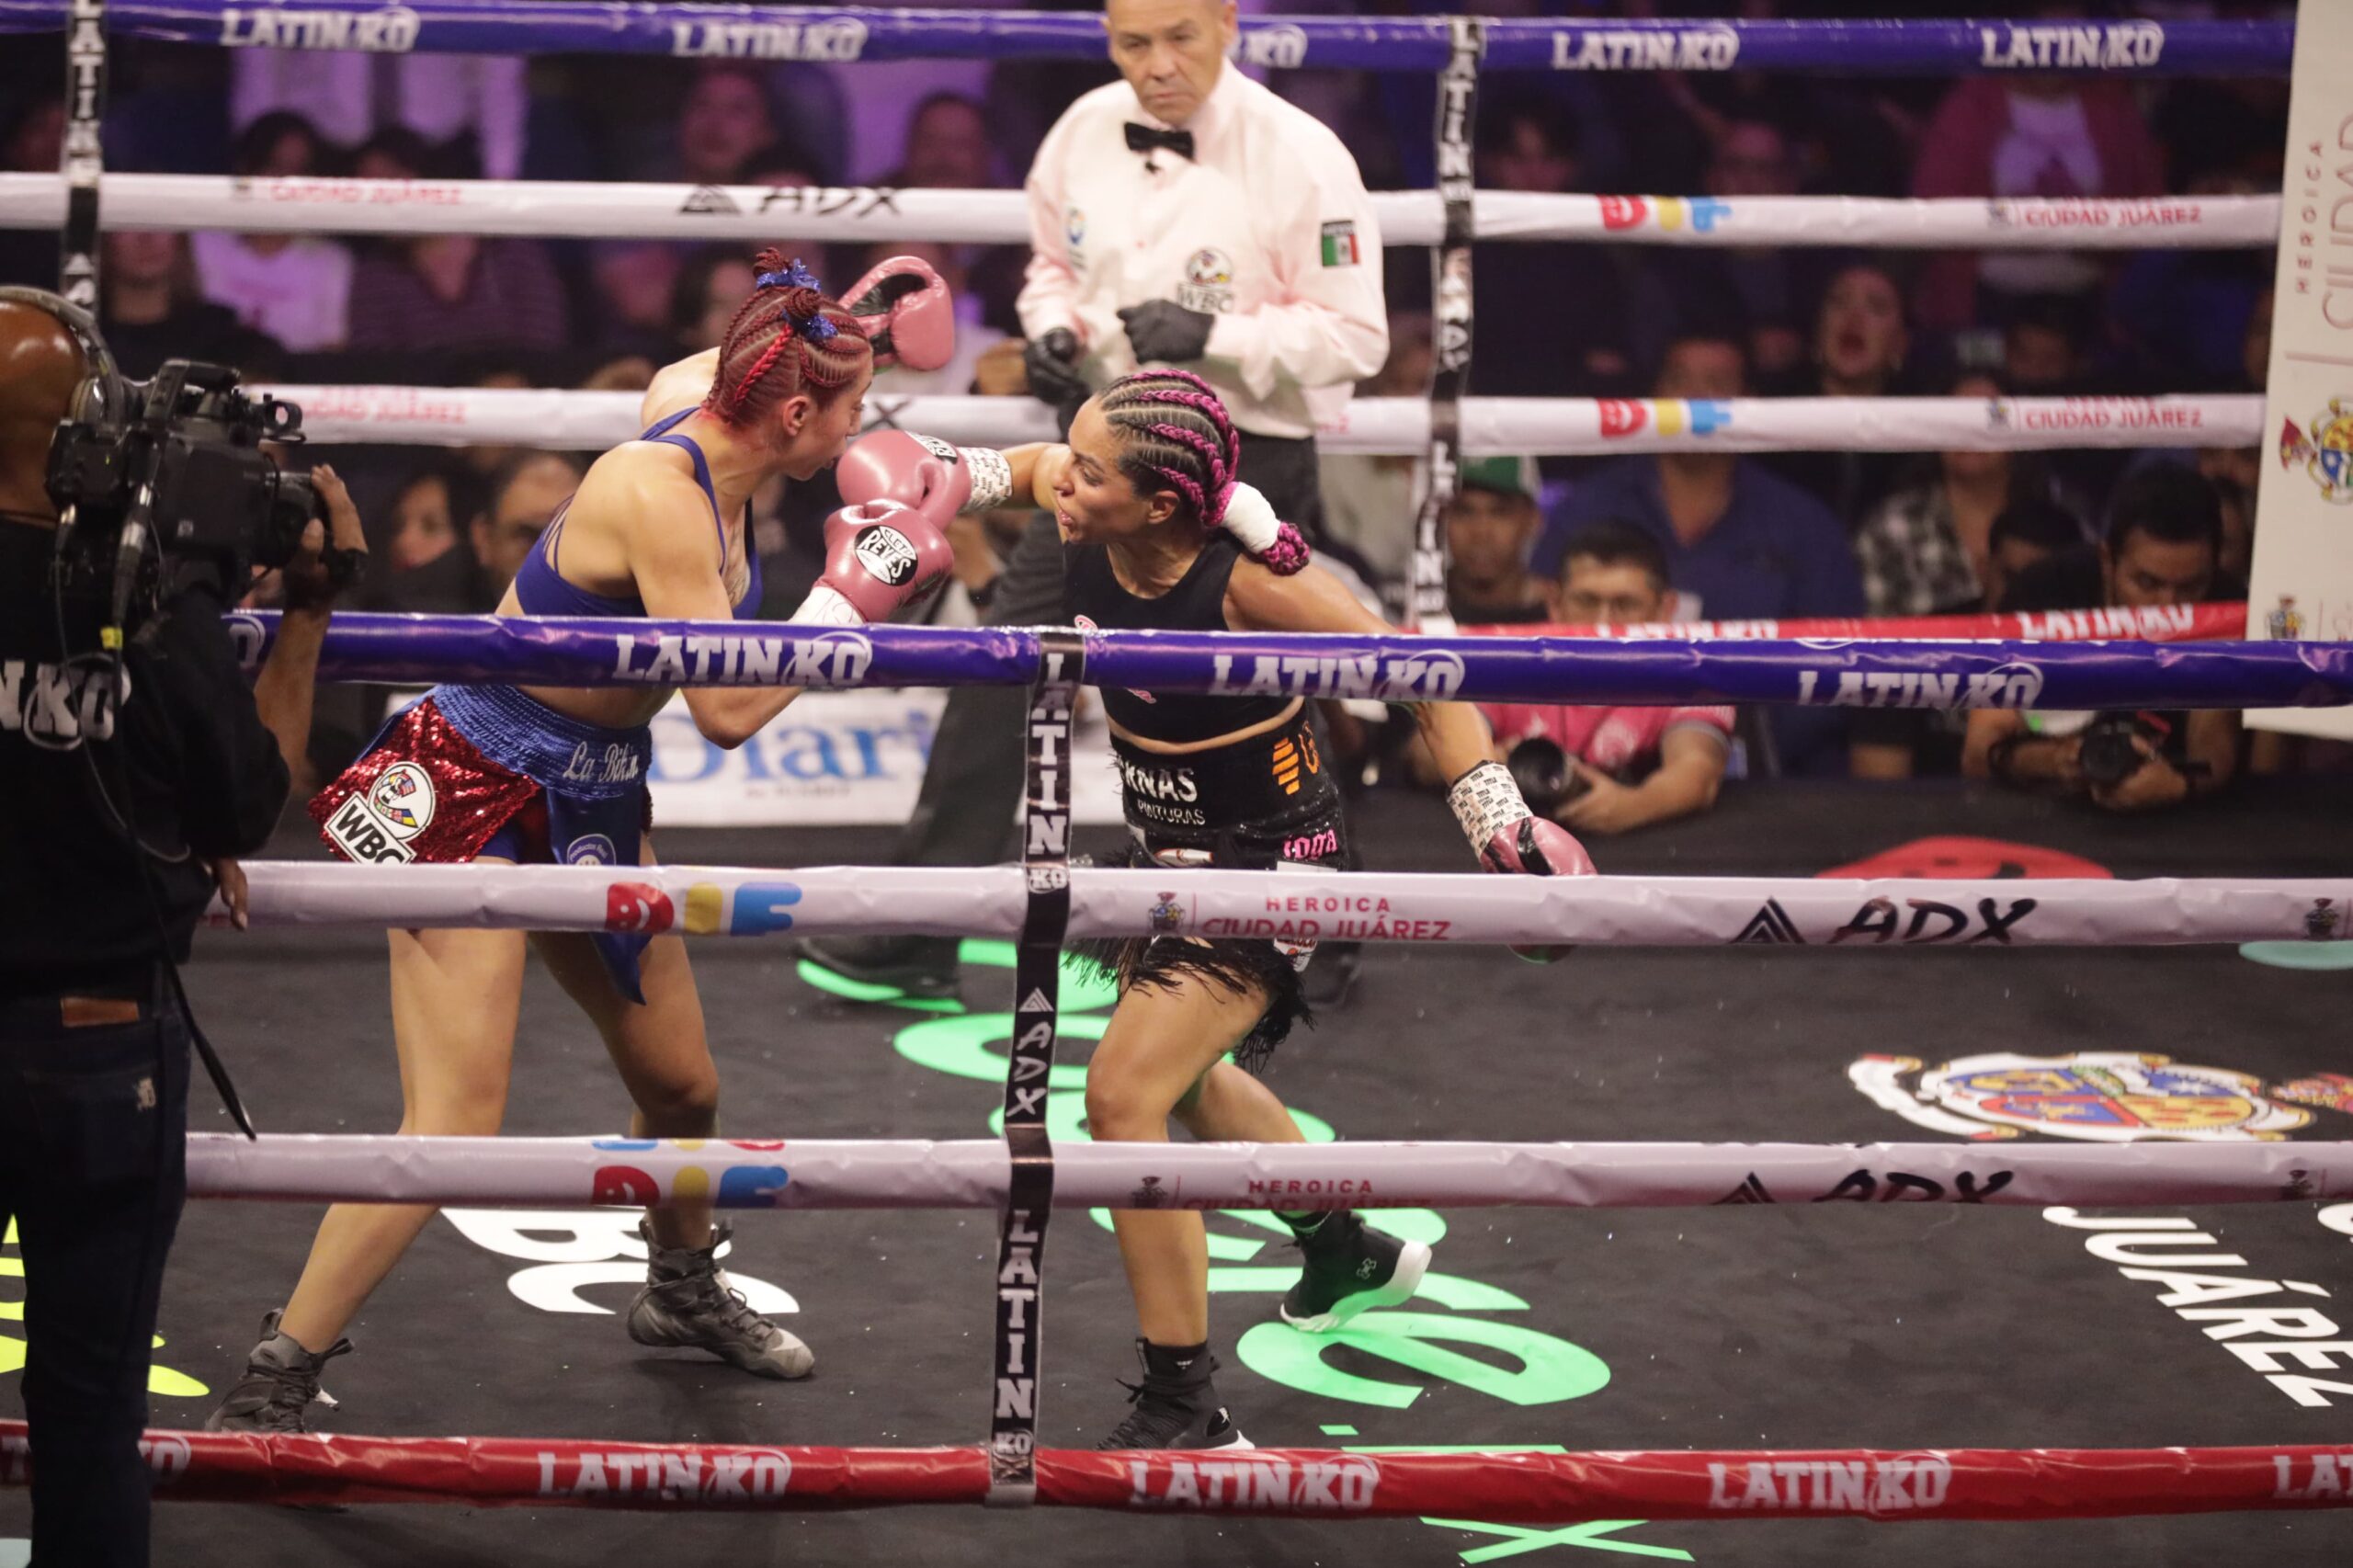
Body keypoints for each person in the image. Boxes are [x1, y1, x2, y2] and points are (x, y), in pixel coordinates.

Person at [206, 253, 960, 1432]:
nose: (868, 427)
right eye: (855, 405)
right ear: (795, 415)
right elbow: (727, 708)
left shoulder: (708, 397)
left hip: (597, 786)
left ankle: (681, 1285)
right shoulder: (659, 489)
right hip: (476, 778)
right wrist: (842, 602)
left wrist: (848, 321)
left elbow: (742, 347)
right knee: (453, 1118)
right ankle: (278, 1369)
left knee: (681, 1084)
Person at [851, 369, 1592, 1448]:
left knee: (1122, 1096)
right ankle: (1343, 1247)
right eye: (1073, 459)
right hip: (1169, 849)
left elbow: (1422, 674)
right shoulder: (1086, 506)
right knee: (1190, 1079)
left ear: (1160, 502)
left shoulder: (1254, 589)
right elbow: (1025, 466)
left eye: (1090, 470)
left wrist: (1496, 821)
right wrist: (938, 476)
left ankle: (1182, 1404)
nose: (1064, 481)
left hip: (1271, 862)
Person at [799, 0, 1387, 1000]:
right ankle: (924, 921)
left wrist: (1217, 337)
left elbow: (1356, 338)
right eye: (1133, 42)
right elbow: (1049, 271)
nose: (1157, 65)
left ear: (1227, 23)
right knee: (1005, 657)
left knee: (1263, 695)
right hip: (1098, 458)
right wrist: (1055, 331)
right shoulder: (1080, 130)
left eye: (1180, 38)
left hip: (1237, 461)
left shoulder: (1302, 154)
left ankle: (1316, 922)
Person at [0, 289, 363, 1566]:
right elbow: (246, 803)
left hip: (86, 1043)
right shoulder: (143, 603)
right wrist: (307, 608)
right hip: (95, 1048)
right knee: (89, 1415)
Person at [1535, 328, 1864, 775]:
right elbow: (1542, 637)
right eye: (1680, 380)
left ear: (1749, 402)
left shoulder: (1804, 525)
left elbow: (1839, 667)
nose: (1694, 400)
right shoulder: (1586, 507)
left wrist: (1731, 743)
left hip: (1777, 779)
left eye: (1716, 383)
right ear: (1655, 394)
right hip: (1589, 765)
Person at [1430, 522, 1732, 836]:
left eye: (1626, 605)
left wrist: (1633, 805)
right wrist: (1482, 764)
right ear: (1555, 602)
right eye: (1586, 601)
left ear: (1665, 609)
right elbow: (1426, 751)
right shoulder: (1511, 655)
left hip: (1642, 850)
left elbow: (1697, 771)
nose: (1603, 622)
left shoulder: (1690, 666)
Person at [1964, 468, 2239, 811]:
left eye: (2190, 587)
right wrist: (2056, 760)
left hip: (2176, 821)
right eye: (2147, 583)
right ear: (2108, 560)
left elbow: (2214, 752)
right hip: (2041, 809)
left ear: (2213, 572)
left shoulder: (2226, 606)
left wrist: (2179, 786)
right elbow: (1979, 751)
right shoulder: (2044, 593)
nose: (2168, 609)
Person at [1854, 372, 2083, 618]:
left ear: (2019, 432)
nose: (1970, 432)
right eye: (1957, 419)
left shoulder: (2063, 518)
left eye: (1990, 419)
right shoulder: (1891, 527)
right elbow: (1870, 631)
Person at [188, 111, 353, 353]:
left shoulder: (330, 260)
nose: (287, 184)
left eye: (300, 171)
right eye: (276, 168)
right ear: (247, 169)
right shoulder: (204, 243)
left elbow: (331, 351)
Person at [1445, 456, 1552, 624]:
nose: (1481, 532)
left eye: (1500, 512)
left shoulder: (1562, 611)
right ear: (1440, 518)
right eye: (1464, 511)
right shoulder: (1409, 607)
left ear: (1533, 520)